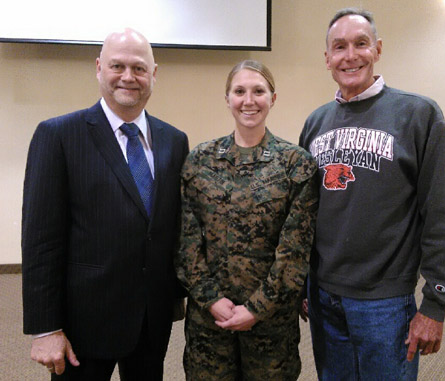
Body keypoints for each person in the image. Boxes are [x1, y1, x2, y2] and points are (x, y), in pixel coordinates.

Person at [299, 8, 445, 380]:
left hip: (385, 303)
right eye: (339, 47)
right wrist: (303, 283)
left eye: (361, 44)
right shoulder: (315, 123)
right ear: (327, 58)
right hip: (324, 298)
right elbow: (304, 214)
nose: (350, 55)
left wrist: (435, 305)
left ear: (377, 49)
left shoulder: (417, 114)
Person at [21, 28, 189, 380]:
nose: (129, 77)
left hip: (150, 321)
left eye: (140, 68)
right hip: (84, 323)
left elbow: (171, 229)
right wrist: (45, 327)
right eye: (117, 66)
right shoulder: (58, 136)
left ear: (153, 74)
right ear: (99, 68)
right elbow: (40, 240)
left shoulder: (174, 141)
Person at [175, 60, 318, 380]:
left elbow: (295, 250)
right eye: (239, 91)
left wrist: (257, 308)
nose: (248, 100)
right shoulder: (200, 160)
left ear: (273, 98)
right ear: (227, 98)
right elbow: (186, 241)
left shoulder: (295, 164)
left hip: (271, 325)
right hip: (209, 324)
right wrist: (210, 299)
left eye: (258, 91)